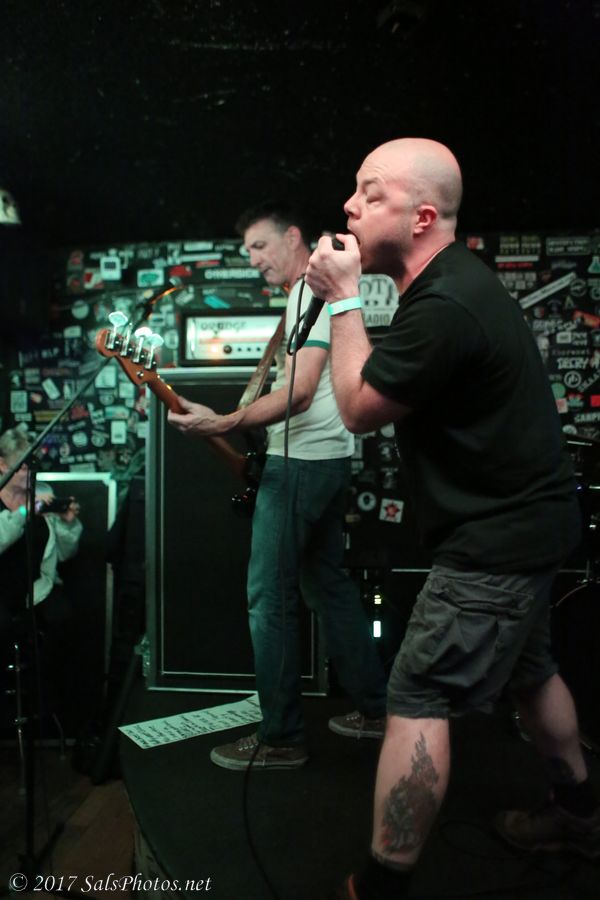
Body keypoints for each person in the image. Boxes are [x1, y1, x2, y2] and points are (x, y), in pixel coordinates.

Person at [304, 138, 599, 899]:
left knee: (418, 693)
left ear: (423, 217)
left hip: (495, 541)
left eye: (370, 193)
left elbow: (358, 407)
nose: (349, 206)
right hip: (532, 527)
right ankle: (578, 815)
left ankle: (382, 887)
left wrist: (343, 299)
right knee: (532, 670)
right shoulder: (451, 286)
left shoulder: (444, 306)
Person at [167, 200, 387, 770]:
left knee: (270, 599)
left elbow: (302, 391)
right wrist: (224, 417)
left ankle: (282, 738)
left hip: (302, 466)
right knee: (328, 588)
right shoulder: (311, 294)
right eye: (247, 252)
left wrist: (224, 423)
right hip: (326, 463)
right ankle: (377, 709)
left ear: (293, 238)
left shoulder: (308, 291)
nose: (254, 260)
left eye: (260, 246)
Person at [0, 424, 82, 722]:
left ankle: (46, 704)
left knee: (64, 619)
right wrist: (25, 512)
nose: (28, 473)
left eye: (32, 466)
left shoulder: (44, 492)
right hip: (2, 589)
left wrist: (68, 523)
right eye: (21, 467)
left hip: (37, 586)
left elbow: (66, 553)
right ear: (3, 464)